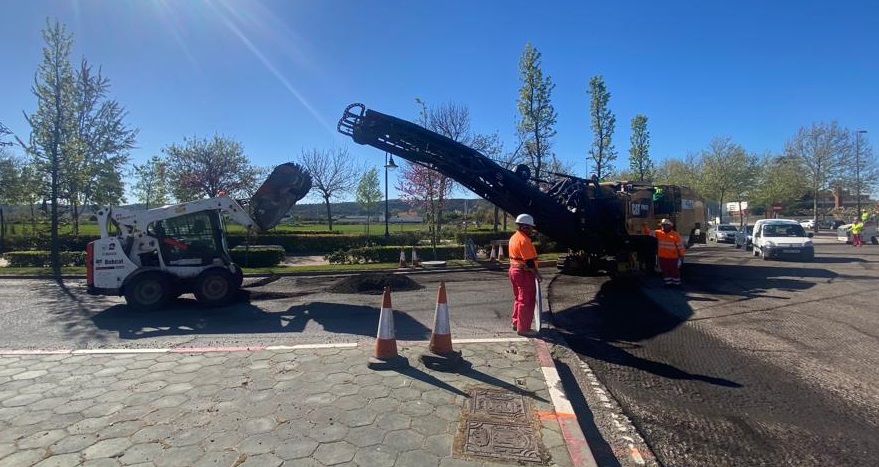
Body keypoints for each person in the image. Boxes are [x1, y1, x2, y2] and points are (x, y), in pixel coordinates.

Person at [508, 213, 542, 336]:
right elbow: (529, 261)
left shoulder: (514, 237)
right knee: (526, 300)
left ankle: (516, 323)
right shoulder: (524, 240)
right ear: (525, 227)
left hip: (514, 270)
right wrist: (537, 274)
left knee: (519, 298)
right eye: (530, 227)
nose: (532, 230)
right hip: (523, 272)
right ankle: (523, 328)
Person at [655, 218, 686, 286]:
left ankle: (677, 283)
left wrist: (681, 256)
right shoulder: (658, 232)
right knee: (665, 270)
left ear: (669, 226)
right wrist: (644, 226)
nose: (663, 226)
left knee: (674, 270)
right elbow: (649, 232)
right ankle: (668, 283)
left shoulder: (675, 234)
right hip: (662, 257)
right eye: (662, 225)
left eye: (665, 225)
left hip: (672, 257)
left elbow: (680, 246)